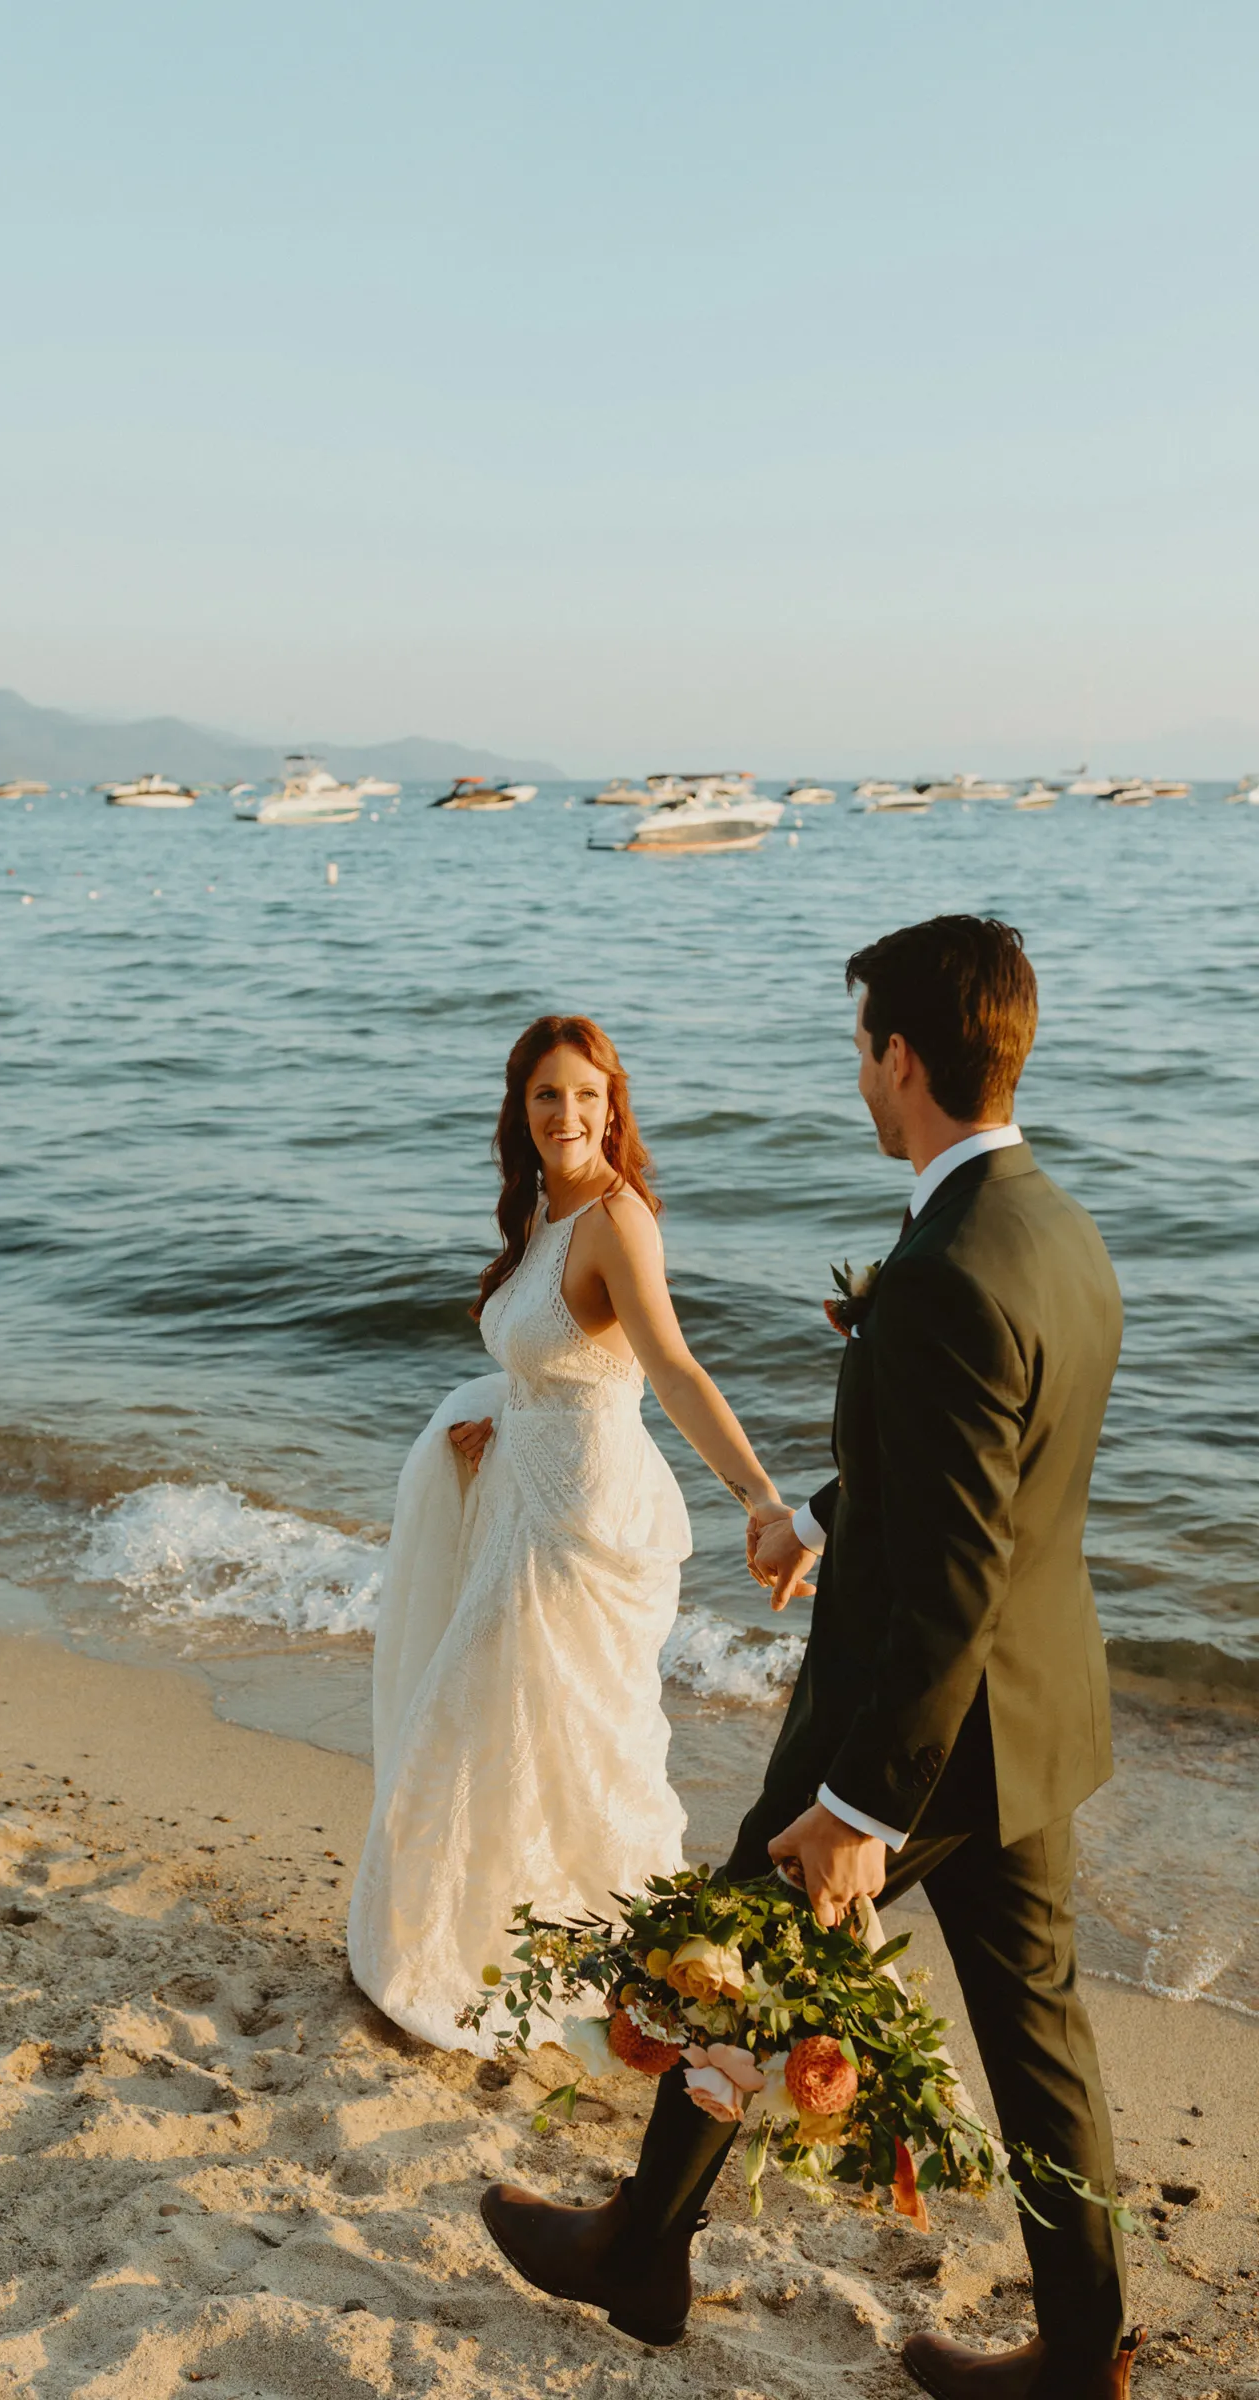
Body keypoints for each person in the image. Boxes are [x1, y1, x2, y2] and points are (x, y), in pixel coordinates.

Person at [479, 920, 1139, 2399]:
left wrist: (860, 1809)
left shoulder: (951, 1269)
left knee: (731, 1955)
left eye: (862, 1048)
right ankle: (1086, 2351)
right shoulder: (1058, 1230)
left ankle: (642, 2250)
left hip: (915, 1729)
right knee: (1037, 2038)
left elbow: (962, 1572)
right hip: (1030, 1721)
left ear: (900, 1060)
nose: (859, 1072)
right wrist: (828, 1520)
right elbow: (996, 1482)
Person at [348, 1014, 788, 2051]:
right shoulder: (544, 1208)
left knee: (551, 1732)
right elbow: (544, 1367)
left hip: (582, 1515)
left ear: (612, 1105)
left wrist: (760, 1499)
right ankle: (519, 1951)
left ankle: (613, 1965)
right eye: (548, 1095)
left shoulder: (616, 1220)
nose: (567, 1114)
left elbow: (671, 1370)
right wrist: (491, 1423)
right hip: (520, 1487)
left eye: (587, 1095)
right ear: (523, 1108)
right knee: (504, 1730)